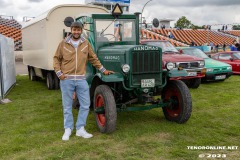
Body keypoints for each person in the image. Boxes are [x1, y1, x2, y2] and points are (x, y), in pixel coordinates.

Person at [53, 22, 114, 141]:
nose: (76, 32)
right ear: (71, 30)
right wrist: (59, 73)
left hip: (81, 79)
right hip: (67, 79)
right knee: (67, 106)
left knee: (86, 105)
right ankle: (68, 129)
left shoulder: (85, 43)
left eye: (78, 30)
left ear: (81, 30)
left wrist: (103, 70)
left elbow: (93, 58)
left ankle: (80, 129)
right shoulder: (63, 43)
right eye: (74, 29)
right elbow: (56, 58)